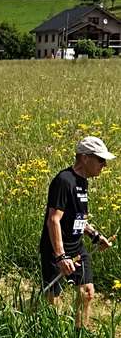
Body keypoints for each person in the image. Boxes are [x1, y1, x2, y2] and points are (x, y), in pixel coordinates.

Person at [40, 135, 115, 328]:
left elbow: (78, 218)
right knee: (52, 301)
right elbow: (53, 220)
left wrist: (95, 236)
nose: (104, 165)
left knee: (87, 292)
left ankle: (79, 335)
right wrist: (61, 256)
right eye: (100, 159)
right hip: (56, 249)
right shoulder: (64, 181)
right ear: (84, 157)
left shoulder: (83, 182)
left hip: (77, 247)